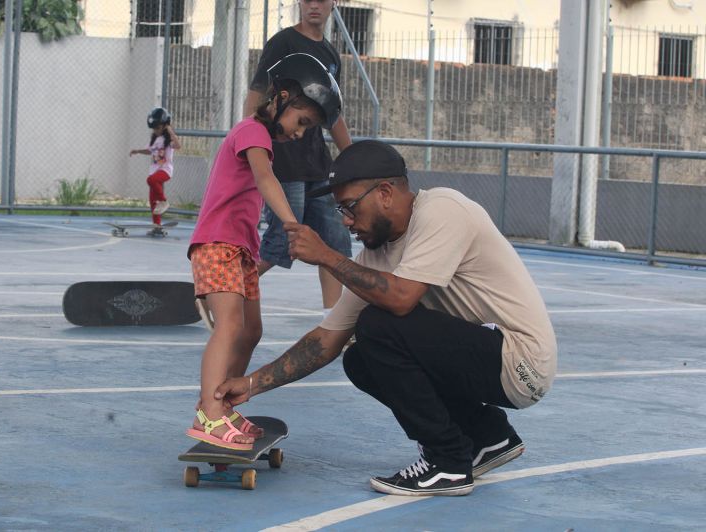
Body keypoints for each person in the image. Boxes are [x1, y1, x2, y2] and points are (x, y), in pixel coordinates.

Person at [215, 140, 557, 494]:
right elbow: (326, 340)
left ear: (385, 193)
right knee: (360, 359)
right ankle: (488, 437)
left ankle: (448, 463)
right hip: (488, 361)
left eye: (350, 208)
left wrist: (327, 256)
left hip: (521, 362)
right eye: (340, 212)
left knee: (378, 325)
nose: (347, 222)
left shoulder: (442, 210)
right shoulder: (377, 256)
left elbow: (400, 298)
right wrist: (252, 384)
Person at [186, 53, 343, 450]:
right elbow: (264, 178)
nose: (300, 132)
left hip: (239, 248)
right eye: (302, 121)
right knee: (231, 327)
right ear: (282, 97)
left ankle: (224, 402)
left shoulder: (263, 139)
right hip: (217, 244)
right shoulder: (253, 131)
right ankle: (209, 413)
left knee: (252, 330)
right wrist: (293, 224)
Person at [197, 0, 352, 332]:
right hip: (282, 162)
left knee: (334, 240)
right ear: (298, 4)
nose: (314, 6)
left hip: (316, 164)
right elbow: (257, 96)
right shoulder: (283, 43)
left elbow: (332, 116)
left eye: (322, 0)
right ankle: (221, 285)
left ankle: (333, 320)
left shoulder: (331, 55)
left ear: (333, 5)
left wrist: (351, 158)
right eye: (307, 0)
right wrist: (251, 143)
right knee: (282, 239)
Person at [129, 107, 181, 225]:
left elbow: (178, 145)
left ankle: (164, 201)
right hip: (154, 171)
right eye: (154, 129)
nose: (156, 131)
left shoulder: (167, 141)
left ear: (165, 126)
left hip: (165, 170)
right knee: (153, 201)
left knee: (151, 180)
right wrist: (137, 151)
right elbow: (149, 151)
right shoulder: (155, 140)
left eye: (158, 128)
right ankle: (156, 225)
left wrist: (170, 130)